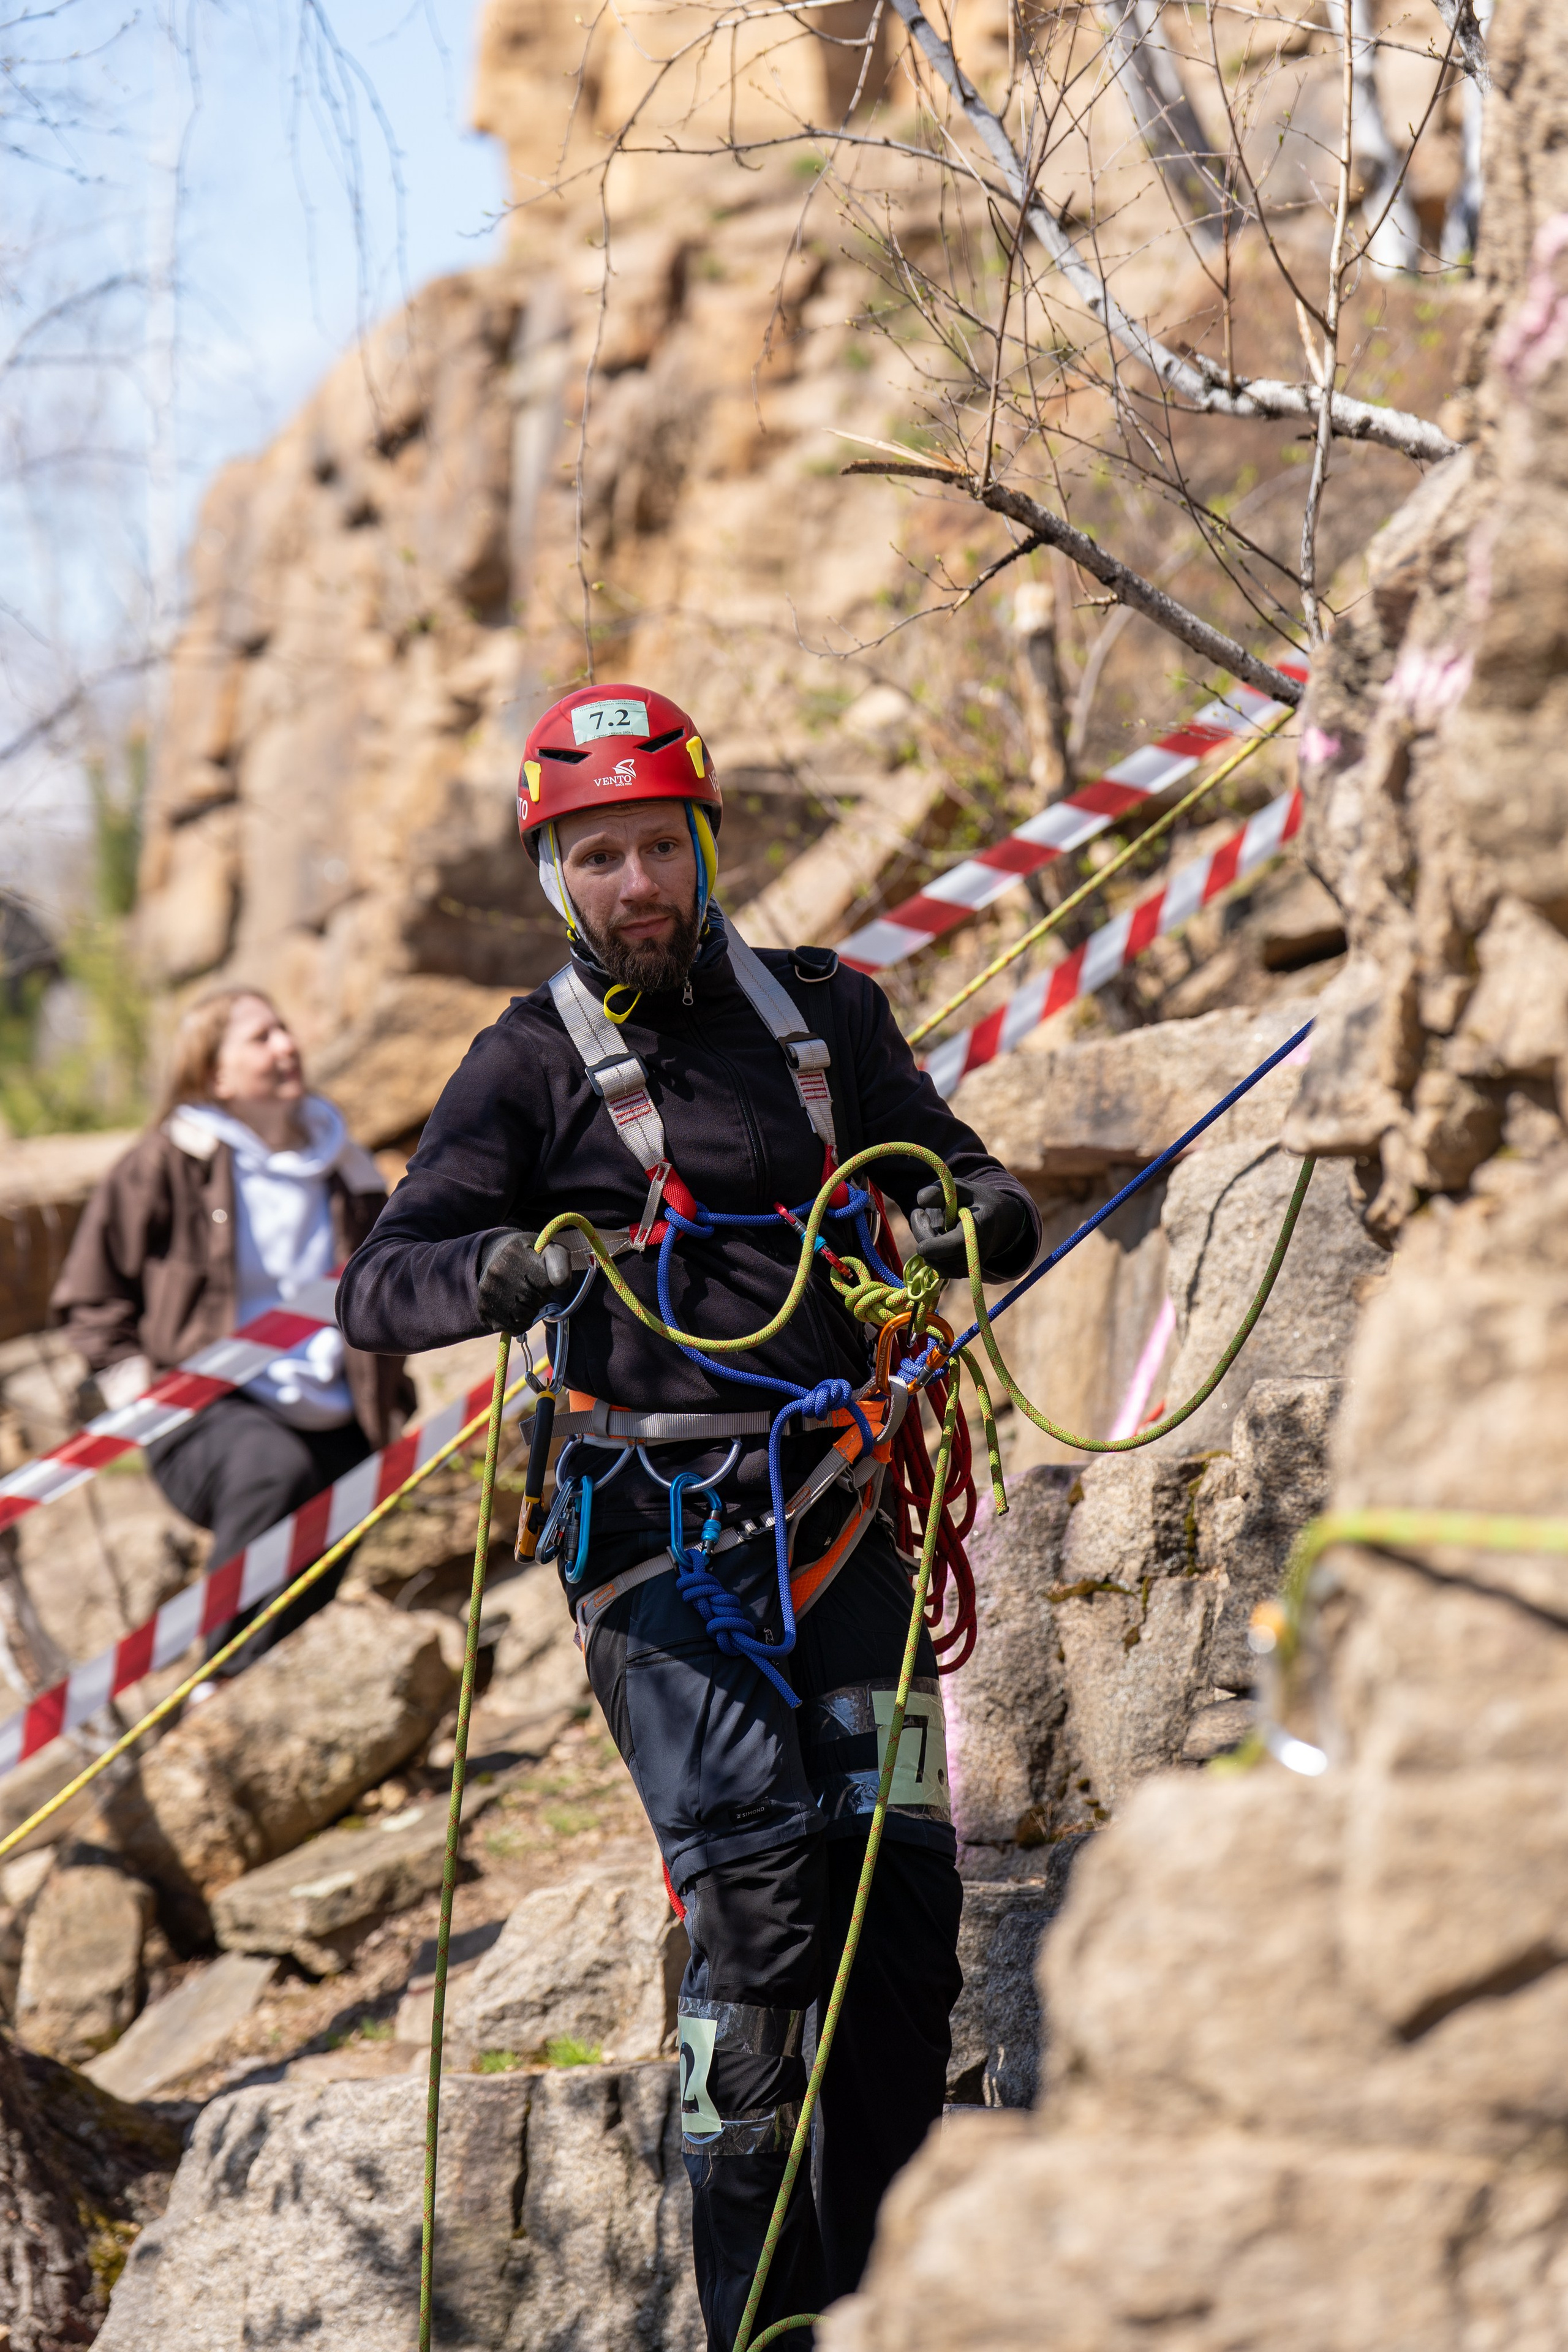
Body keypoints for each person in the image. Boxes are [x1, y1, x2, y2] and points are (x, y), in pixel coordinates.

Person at [337, 684, 1040, 2348]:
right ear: (554, 875)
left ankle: (892, 2299)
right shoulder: (526, 1064)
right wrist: (503, 1269)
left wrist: (965, 1226)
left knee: (903, 1903)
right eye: (600, 858)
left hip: (846, 1508)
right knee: (763, 1925)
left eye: (659, 846)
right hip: (660, 1547)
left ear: (704, 843)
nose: (638, 883)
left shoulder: (823, 1016)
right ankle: (762, 2317)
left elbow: (971, 1178)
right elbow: (380, 1285)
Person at [51, 988, 413, 1673]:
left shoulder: (349, 1169)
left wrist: (394, 1391)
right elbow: (89, 1294)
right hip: (206, 1409)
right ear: (214, 1074)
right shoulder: (164, 1163)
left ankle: (266, 1695)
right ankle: (216, 1679)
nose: (286, 1046)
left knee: (342, 1512)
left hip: (336, 1408)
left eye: (285, 1029)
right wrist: (138, 1388)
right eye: (259, 1038)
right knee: (273, 1470)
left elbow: (381, 1290)